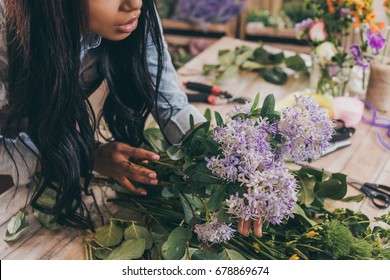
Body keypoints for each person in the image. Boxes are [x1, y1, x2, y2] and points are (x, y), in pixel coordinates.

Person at [0, 0, 206, 229]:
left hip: (39, 155)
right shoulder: (4, 31)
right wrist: (82, 157)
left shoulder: (134, 14)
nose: (135, 3)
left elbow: (171, 105)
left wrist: (229, 163)